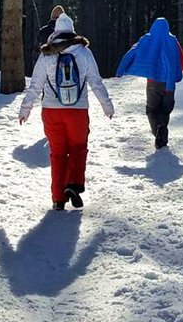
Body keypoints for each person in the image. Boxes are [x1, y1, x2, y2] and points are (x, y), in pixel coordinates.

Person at [19, 13, 114, 210]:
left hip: (52, 111)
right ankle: (73, 184)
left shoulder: (47, 55)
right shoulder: (84, 52)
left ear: (55, 31)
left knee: (57, 153)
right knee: (78, 149)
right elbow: (96, 82)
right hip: (77, 112)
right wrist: (107, 105)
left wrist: (25, 109)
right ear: (72, 30)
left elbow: (36, 85)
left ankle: (57, 199)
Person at [115, 17, 183, 150]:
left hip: (153, 82)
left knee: (152, 109)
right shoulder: (172, 42)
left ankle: (158, 131)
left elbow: (131, 53)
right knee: (165, 110)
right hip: (169, 83)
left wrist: (120, 70)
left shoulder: (146, 39)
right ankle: (162, 133)